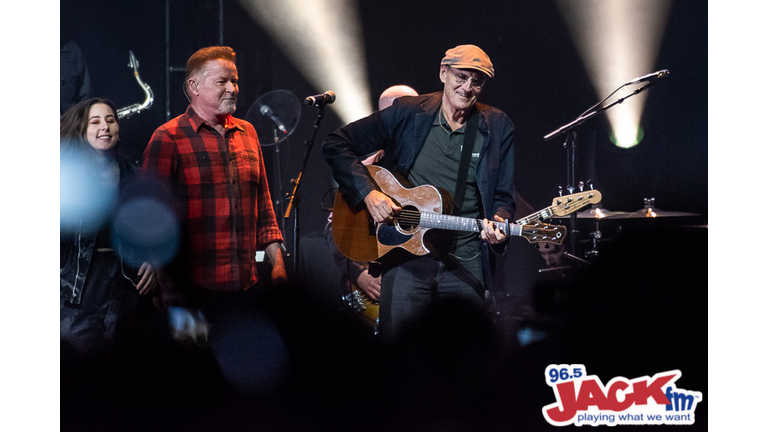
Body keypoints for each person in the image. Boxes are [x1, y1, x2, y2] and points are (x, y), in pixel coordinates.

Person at [322, 44, 516, 342]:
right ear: (443, 72)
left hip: (466, 261)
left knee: (464, 360)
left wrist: (500, 222)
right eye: (461, 77)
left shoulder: (498, 125)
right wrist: (370, 195)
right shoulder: (408, 112)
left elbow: (503, 198)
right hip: (406, 259)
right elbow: (337, 144)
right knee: (402, 357)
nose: (467, 88)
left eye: (476, 81)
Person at [141, 45, 287, 331]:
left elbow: (264, 206)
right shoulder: (168, 137)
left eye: (235, 81)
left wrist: (278, 263)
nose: (233, 88)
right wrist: (167, 288)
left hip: (246, 287)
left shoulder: (248, 133)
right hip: (193, 293)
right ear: (194, 86)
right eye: (222, 81)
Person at [60, 97, 159, 356]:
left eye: (110, 120)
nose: (104, 126)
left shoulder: (134, 174)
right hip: (78, 287)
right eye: (95, 122)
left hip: (126, 285)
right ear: (82, 131)